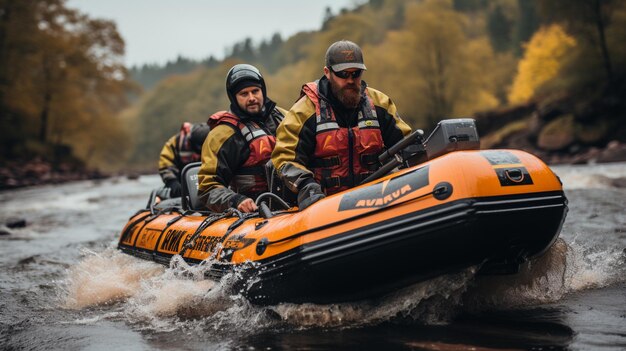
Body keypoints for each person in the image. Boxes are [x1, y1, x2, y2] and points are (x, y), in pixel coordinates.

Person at [272, 40, 413, 210]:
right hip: (327, 207)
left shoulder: (380, 104)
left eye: (356, 73)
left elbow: (406, 145)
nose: (351, 80)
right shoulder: (304, 112)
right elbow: (285, 158)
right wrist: (306, 187)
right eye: (343, 74)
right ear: (327, 72)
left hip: (378, 200)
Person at [198, 64, 287, 213]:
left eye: (255, 91)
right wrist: (236, 200)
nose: (252, 98)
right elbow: (208, 188)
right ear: (234, 97)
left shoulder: (285, 118)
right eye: (244, 94)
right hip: (255, 214)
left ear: (263, 91)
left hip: (294, 205)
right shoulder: (222, 135)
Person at [157, 122, 210, 199]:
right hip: (180, 186)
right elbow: (166, 164)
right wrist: (172, 181)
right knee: (157, 193)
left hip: (207, 186)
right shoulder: (175, 143)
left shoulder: (214, 143)